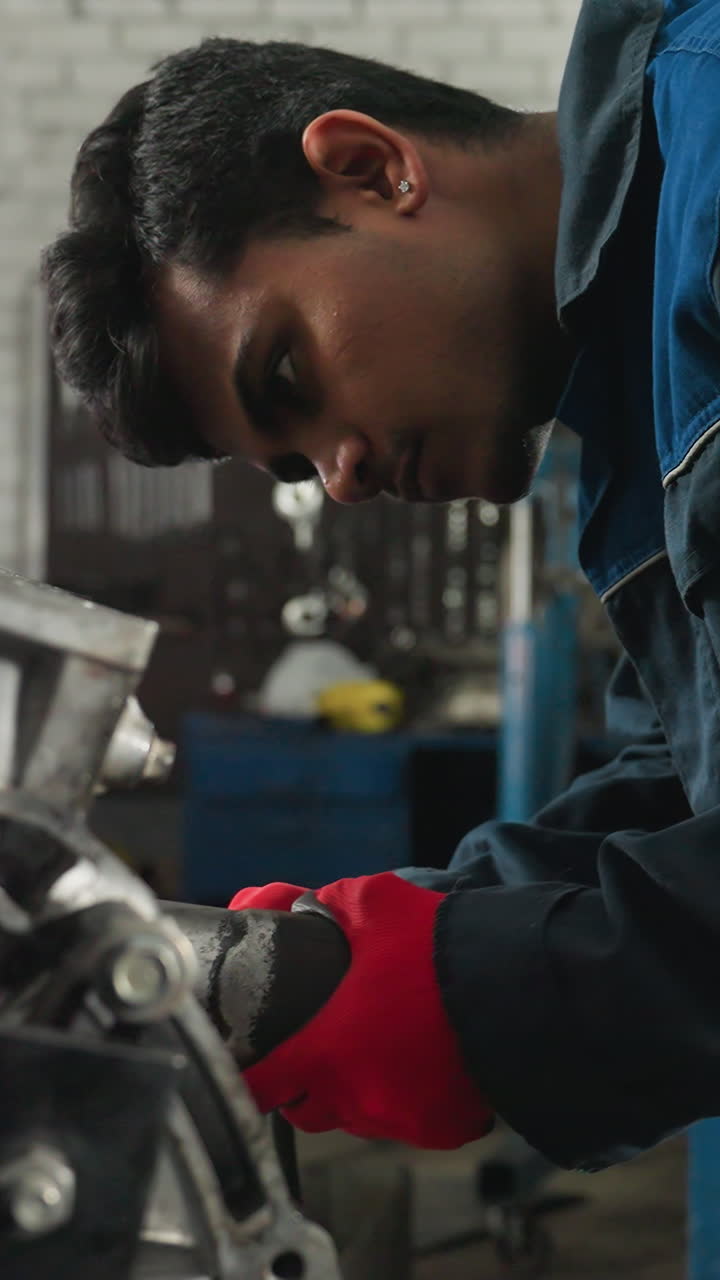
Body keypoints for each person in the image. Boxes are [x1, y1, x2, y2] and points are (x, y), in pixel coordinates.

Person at [42, 0, 720, 1171]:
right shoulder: (635, 428)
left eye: (288, 372)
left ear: (371, 168)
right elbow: (685, 783)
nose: (343, 476)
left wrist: (476, 990)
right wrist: (381, 939)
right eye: (295, 464)